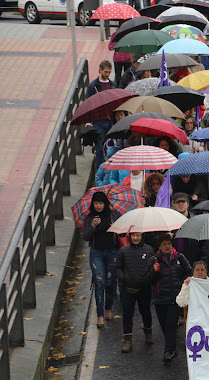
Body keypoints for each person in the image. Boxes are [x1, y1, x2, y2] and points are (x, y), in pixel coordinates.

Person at [146, 233, 193, 362]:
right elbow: (148, 280)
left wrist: (184, 281)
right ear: (159, 246)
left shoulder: (180, 257)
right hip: (160, 299)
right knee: (164, 327)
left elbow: (189, 271)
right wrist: (153, 271)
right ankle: (172, 348)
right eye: (164, 244)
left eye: (169, 244)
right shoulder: (153, 260)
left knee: (171, 324)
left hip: (175, 298)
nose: (167, 246)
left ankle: (169, 351)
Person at [174, 261, 209, 380]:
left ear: (206, 272)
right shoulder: (190, 284)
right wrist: (186, 286)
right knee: (199, 356)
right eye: (197, 270)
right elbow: (180, 302)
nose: (200, 272)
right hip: (196, 328)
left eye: (202, 269)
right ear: (193, 272)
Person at [82, 191, 120, 329]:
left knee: (110, 282)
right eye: (96, 203)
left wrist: (114, 226)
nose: (98, 206)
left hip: (112, 252)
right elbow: (85, 237)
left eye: (101, 203)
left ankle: (108, 307)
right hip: (96, 253)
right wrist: (92, 226)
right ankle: (100, 314)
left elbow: (122, 231)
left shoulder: (113, 215)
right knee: (99, 282)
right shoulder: (89, 217)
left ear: (105, 203)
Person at [115, 231, 155, 353]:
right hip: (127, 288)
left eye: (138, 235)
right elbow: (118, 268)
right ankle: (128, 340)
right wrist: (124, 279)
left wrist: (147, 279)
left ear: (142, 236)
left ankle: (148, 332)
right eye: (133, 235)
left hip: (144, 288)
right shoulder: (123, 251)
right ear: (130, 236)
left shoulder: (149, 250)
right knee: (127, 313)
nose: (136, 238)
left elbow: (153, 268)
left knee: (146, 311)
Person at [86, 60, 118, 167]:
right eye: (106, 72)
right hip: (98, 121)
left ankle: (110, 167)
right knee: (99, 146)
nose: (108, 74)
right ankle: (101, 169)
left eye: (109, 72)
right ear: (100, 70)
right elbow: (88, 104)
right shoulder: (92, 86)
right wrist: (88, 121)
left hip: (110, 120)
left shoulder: (113, 85)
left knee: (111, 146)